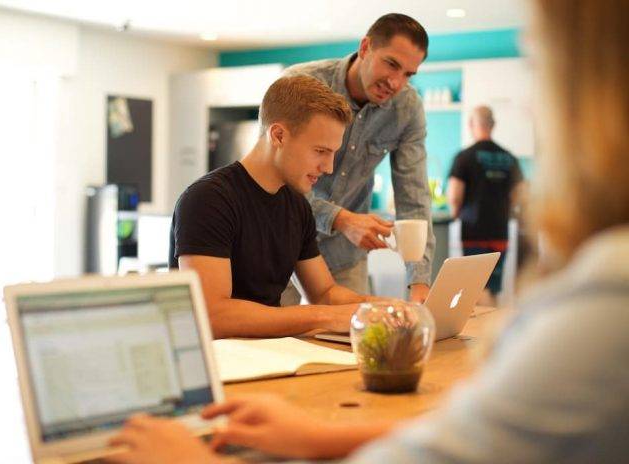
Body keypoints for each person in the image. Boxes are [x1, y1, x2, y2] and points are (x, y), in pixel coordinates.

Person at [106, 0, 629, 461]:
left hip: (304, 292)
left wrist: (397, 298)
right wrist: (337, 302)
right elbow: (223, 313)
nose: (330, 168)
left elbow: (405, 202)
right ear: (365, 49)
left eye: (411, 74)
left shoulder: (301, 194)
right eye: (321, 153)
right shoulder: (227, 184)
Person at [168, 75, 387, 339]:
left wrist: (380, 307)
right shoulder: (207, 200)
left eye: (332, 153)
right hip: (219, 364)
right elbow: (213, 315)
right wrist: (324, 316)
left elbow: (324, 293)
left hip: (271, 355)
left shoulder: (297, 206)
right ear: (279, 135)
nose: (328, 168)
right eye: (320, 151)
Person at [281, 13, 435, 305]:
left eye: (408, 74)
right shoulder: (301, 86)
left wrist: (419, 284)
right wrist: (340, 219)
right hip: (282, 247)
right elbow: (276, 179)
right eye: (391, 64)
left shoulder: (407, 109)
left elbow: (413, 198)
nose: (395, 82)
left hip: (343, 257)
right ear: (365, 48)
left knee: (352, 344)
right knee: (274, 345)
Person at [447, 106, 526, 305]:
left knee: (476, 289)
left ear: (472, 125)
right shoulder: (510, 158)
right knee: (493, 287)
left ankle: (482, 335)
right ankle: (492, 332)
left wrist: (455, 212)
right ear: (493, 125)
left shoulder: (464, 157)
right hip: (499, 231)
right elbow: (522, 194)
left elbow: (455, 195)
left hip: (474, 233)